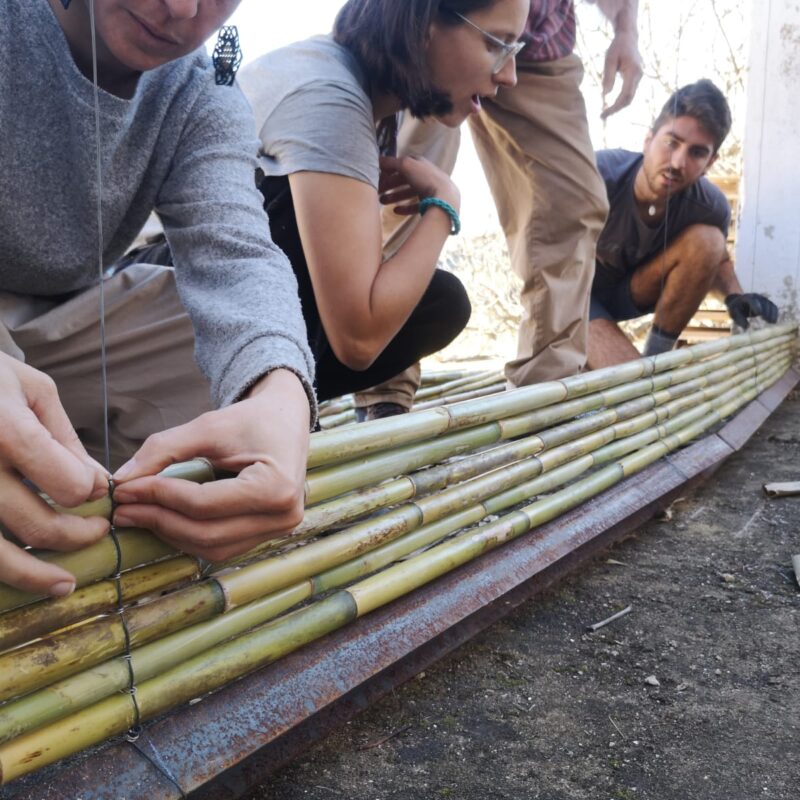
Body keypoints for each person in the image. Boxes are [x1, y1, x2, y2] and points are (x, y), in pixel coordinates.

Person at [0, 0, 316, 598]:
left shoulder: (204, 89)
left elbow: (236, 254)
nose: (182, 7)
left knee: (242, 355)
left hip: (66, 320)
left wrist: (279, 394)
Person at [351, 0, 643, 420]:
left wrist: (626, 31)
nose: (502, 77)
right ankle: (384, 391)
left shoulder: (520, 57)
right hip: (444, 18)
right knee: (404, 180)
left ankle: (544, 397)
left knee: (573, 202)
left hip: (541, 45)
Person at [236, 0, 529, 407]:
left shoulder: (356, 93)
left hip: (229, 309)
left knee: (440, 304)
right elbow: (359, 339)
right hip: (175, 303)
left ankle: (278, 403)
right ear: (425, 23)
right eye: (498, 44)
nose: (509, 75)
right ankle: (261, 410)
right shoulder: (328, 97)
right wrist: (445, 205)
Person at [587, 79, 779, 367]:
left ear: (710, 162)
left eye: (696, 152)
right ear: (648, 139)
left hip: (630, 291)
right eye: (671, 143)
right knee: (629, 389)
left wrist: (735, 297)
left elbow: (717, 258)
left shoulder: (709, 205)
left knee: (709, 240)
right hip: (576, 297)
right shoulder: (595, 176)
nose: (678, 162)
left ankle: (657, 360)